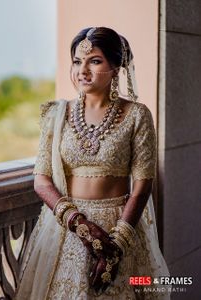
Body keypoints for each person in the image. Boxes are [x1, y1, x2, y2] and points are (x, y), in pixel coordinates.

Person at [15, 27, 170, 299]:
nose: (82, 70)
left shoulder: (137, 115)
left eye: (94, 61)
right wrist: (82, 227)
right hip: (67, 229)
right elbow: (41, 180)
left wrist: (116, 245)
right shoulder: (57, 115)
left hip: (119, 226)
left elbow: (142, 186)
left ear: (115, 66)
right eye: (77, 61)